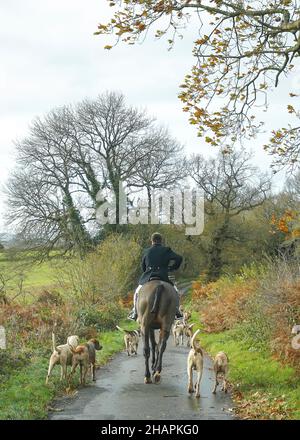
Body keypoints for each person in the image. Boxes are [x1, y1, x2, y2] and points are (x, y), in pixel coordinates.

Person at [128, 232, 183, 320]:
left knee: (137, 292)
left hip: (148, 277)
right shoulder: (166, 250)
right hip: (163, 277)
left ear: (152, 241)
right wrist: (172, 268)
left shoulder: (147, 251)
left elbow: (143, 266)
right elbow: (179, 258)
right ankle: (177, 312)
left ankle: (135, 312)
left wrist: (147, 272)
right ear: (161, 241)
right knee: (175, 291)